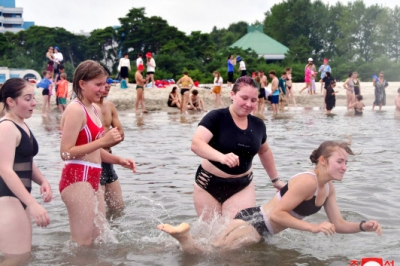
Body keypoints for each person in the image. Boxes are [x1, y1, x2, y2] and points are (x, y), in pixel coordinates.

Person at [158, 141, 382, 253]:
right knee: (206, 254)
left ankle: (179, 239)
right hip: (254, 224)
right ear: (323, 161)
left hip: (259, 226)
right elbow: (277, 213)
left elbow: (339, 224)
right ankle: (183, 237)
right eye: (340, 162)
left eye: (346, 163)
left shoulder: (328, 188)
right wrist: (312, 228)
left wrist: (363, 226)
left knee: (211, 250)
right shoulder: (308, 181)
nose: (344, 167)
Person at [59, 60, 136, 246]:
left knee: (100, 239)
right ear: (82, 84)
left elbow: (93, 150)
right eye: (98, 84)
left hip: (93, 176)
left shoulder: (93, 108)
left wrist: (117, 159)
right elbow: (66, 153)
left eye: (105, 83)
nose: (103, 89)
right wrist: (103, 141)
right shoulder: (75, 110)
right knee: (83, 243)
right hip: (77, 178)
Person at [190, 76, 283, 221]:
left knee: (236, 236)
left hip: (242, 186)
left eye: (253, 100)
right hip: (208, 183)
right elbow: (197, 144)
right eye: (244, 98)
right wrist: (221, 157)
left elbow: (264, 151)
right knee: (210, 237)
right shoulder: (216, 117)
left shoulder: (258, 125)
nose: (248, 104)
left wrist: (275, 180)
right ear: (232, 95)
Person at [0, 78, 52, 264]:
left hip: (19, 199)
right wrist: (33, 204)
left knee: (22, 258)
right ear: (11, 101)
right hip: (7, 200)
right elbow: (5, 169)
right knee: (15, 260)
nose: (33, 103)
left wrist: (42, 181)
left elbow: (25, 162)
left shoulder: (21, 123)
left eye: (34, 97)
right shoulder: (6, 127)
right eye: (27, 98)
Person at [98, 79, 125, 217]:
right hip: (94, 159)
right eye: (102, 83)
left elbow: (120, 133)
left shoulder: (110, 106)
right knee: (99, 213)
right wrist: (105, 141)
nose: (107, 85)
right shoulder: (87, 108)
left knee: (118, 208)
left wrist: (105, 143)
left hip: (108, 159)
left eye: (108, 82)